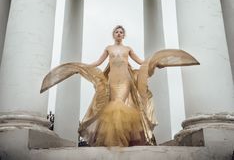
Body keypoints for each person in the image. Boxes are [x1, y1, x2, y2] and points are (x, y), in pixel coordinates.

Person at [41, 25, 199, 147]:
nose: (119, 34)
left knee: (118, 106)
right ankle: (113, 140)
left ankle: (122, 141)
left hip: (125, 81)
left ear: (124, 35)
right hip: (111, 82)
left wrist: (155, 64)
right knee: (110, 108)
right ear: (113, 34)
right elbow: (97, 62)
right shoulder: (108, 48)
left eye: (121, 32)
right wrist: (82, 68)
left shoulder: (128, 49)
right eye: (116, 32)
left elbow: (141, 62)